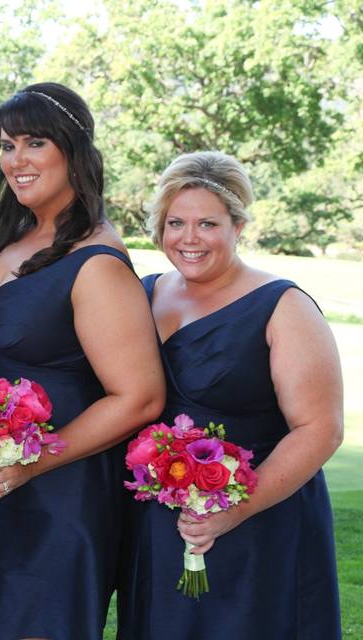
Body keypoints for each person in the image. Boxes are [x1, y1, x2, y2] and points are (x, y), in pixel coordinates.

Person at [0, 82, 165, 640]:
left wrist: (31, 465)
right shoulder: (4, 239)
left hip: (57, 494)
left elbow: (140, 397)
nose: (17, 160)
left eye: (35, 143)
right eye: (7, 145)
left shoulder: (96, 261)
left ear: (73, 149)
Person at [115, 151, 342, 639]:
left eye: (208, 224)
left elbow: (320, 429)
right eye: (176, 222)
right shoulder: (144, 293)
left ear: (238, 226)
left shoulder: (283, 305)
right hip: (159, 523)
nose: (189, 238)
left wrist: (232, 511)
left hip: (259, 526)